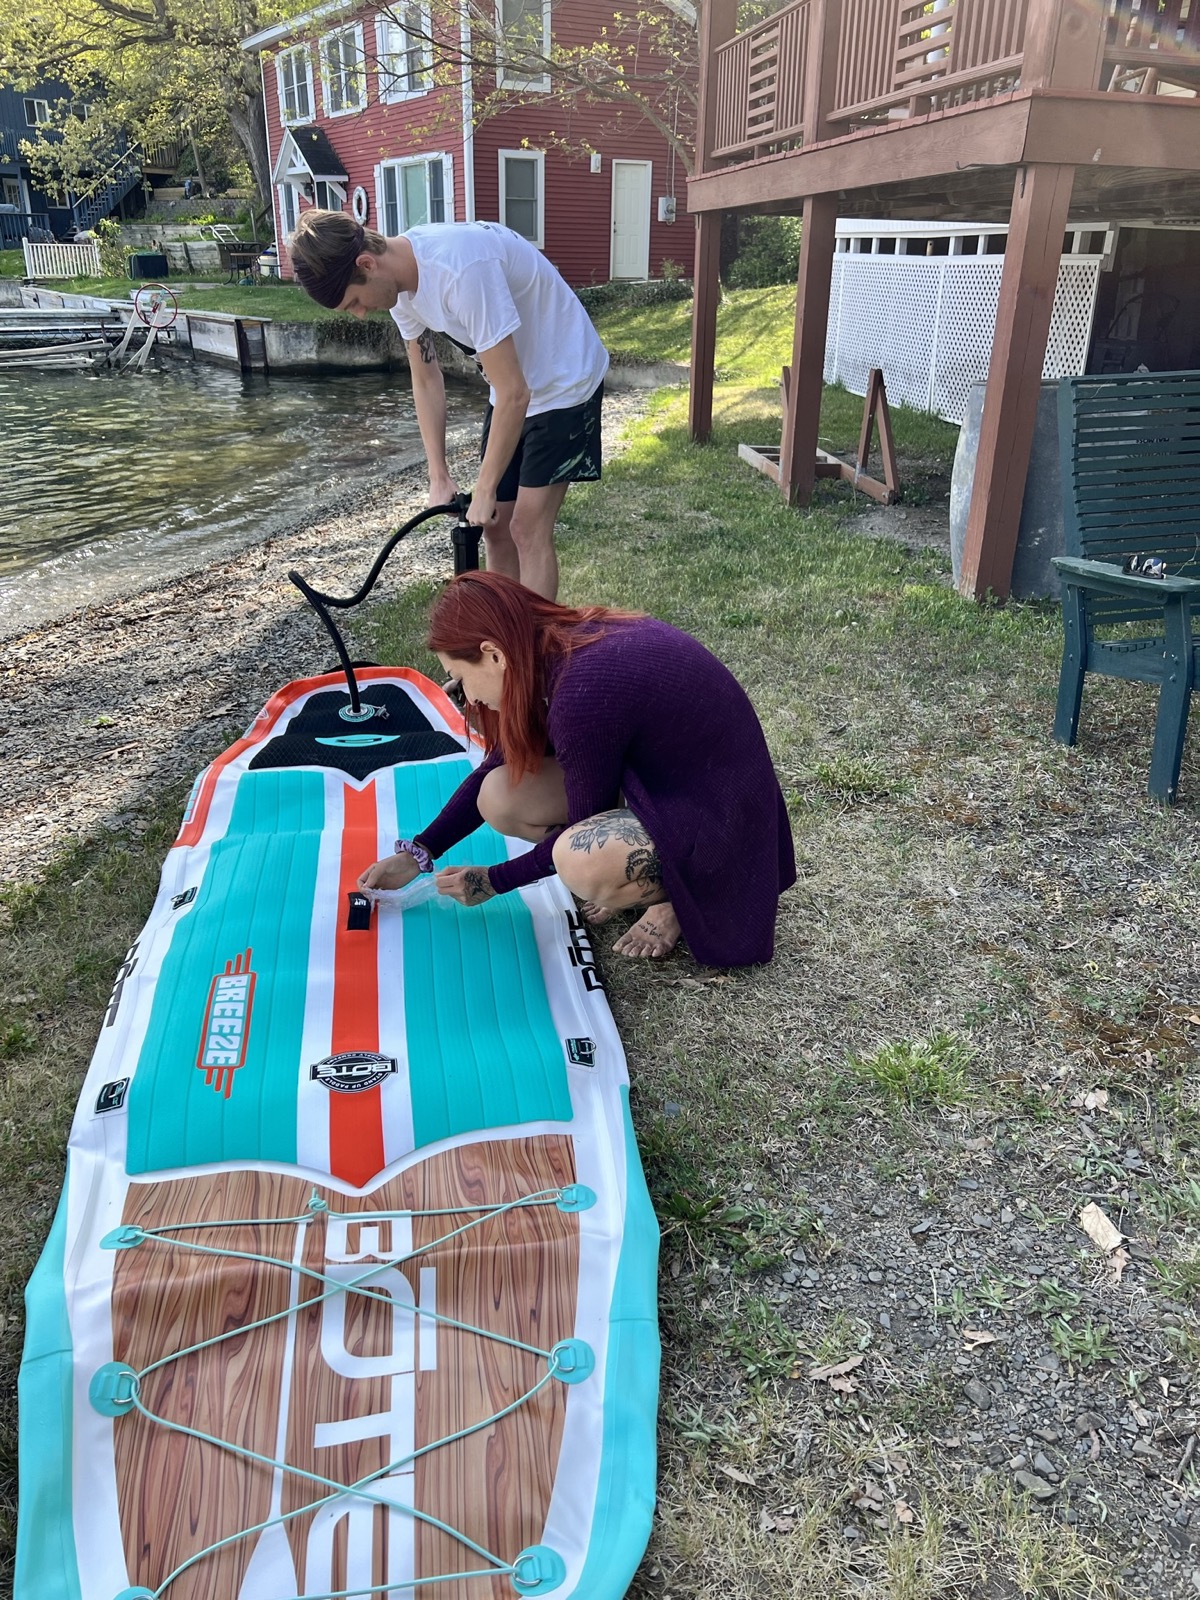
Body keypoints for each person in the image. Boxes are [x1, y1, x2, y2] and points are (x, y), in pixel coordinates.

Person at [358, 572, 796, 966]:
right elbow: (496, 765)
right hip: (673, 789)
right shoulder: (554, 647)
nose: (468, 698)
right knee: (500, 793)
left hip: (723, 825)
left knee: (583, 861)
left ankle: (675, 900)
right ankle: (633, 874)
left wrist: (493, 881)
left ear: (493, 654)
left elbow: (583, 826)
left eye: (460, 678)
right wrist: (419, 852)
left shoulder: (581, 690)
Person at [288, 210, 609, 601]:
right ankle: (504, 640)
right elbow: (425, 378)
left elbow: (515, 393)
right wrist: (438, 475)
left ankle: (532, 652)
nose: (359, 312)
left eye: (354, 301)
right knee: (494, 526)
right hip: (514, 384)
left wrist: (486, 486)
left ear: (367, 264)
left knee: (526, 528)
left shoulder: (461, 269)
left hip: (565, 379)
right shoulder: (401, 291)